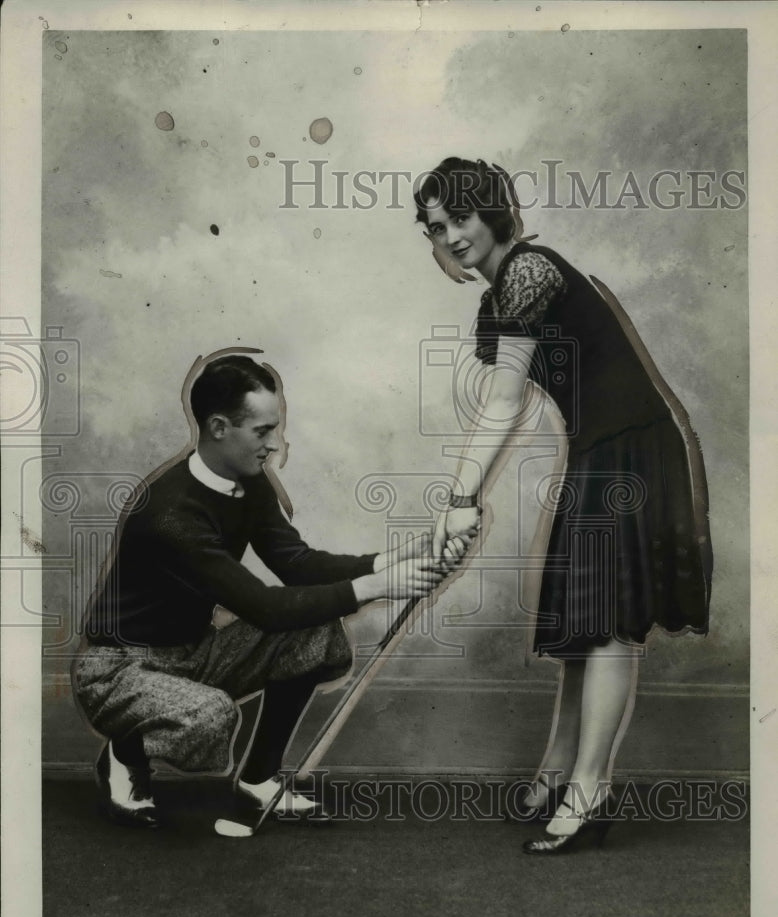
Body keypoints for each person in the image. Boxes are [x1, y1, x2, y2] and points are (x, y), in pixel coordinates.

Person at [414, 157, 712, 853]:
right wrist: (464, 497)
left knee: (605, 626)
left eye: (460, 218)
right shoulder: (499, 293)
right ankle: (557, 769)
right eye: (435, 227)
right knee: (586, 624)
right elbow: (510, 410)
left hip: (632, 448)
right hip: (601, 447)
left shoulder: (528, 269)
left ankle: (590, 789)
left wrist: (460, 498)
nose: (451, 236)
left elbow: (504, 403)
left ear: (492, 212)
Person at [72, 354, 461, 829]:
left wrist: (394, 559)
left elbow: (297, 564)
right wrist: (376, 587)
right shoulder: (172, 514)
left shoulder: (250, 482)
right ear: (218, 427)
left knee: (313, 627)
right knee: (210, 718)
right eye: (262, 432)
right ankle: (125, 750)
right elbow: (262, 607)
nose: (275, 444)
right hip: (121, 668)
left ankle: (259, 782)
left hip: (194, 654)